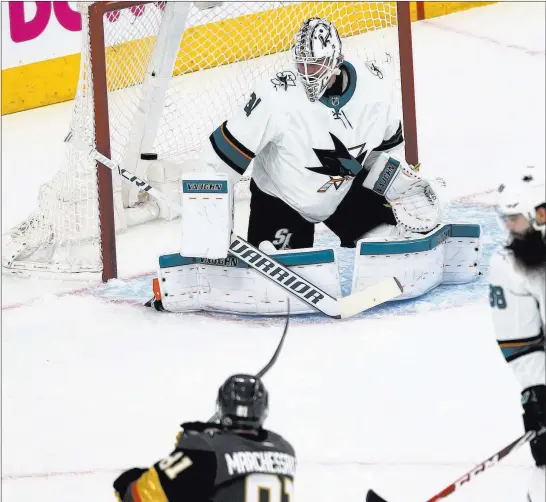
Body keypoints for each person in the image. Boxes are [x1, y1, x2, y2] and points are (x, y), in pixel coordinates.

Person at [201, 17, 441, 251]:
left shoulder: (373, 89)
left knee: (390, 243)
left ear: (336, 62)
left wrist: (397, 184)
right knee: (280, 277)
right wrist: (209, 230)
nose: (306, 72)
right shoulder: (275, 95)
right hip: (282, 199)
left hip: (343, 190)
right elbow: (222, 159)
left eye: (314, 64)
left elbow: (383, 150)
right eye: (301, 63)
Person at [113, 374, 296, 501]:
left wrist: (191, 446)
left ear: (221, 405)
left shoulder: (206, 450)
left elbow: (140, 496)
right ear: (264, 409)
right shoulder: (285, 450)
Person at [488, 166, 545, 502]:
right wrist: (536, 395)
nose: (509, 228)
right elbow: (519, 339)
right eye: (506, 219)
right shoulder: (509, 264)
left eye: (516, 220)